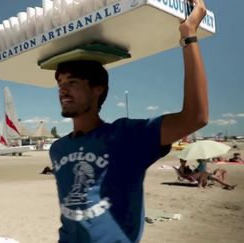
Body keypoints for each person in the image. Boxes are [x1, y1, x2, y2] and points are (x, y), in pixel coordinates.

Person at [48, 1, 209, 242]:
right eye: (60, 84)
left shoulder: (127, 136)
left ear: (97, 89)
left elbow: (195, 117)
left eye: (72, 82)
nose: (63, 90)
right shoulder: (57, 149)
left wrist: (189, 35)